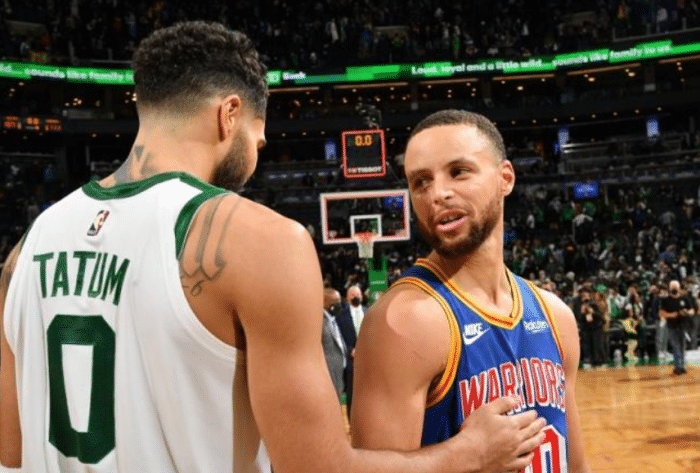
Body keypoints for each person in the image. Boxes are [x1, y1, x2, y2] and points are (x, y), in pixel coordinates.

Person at [0, 22, 546, 473]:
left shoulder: (26, 249)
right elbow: (318, 469)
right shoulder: (260, 241)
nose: (258, 155)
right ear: (229, 115)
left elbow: (11, 453)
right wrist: (468, 453)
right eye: (259, 139)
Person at [351, 110, 592, 473]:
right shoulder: (404, 321)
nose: (438, 193)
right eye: (421, 182)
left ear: (505, 178)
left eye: (459, 172)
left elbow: (575, 465)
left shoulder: (555, 315)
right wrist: (465, 457)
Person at [335, 284, 365, 414]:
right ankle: (352, 421)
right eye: (353, 295)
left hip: (369, 362)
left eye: (358, 294)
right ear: (347, 298)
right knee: (351, 394)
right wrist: (350, 350)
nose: (356, 297)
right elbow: (338, 337)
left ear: (362, 296)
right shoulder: (341, 316)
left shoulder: (369, 312)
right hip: (351, 361)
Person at [659, 280, 695, 375]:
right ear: (669, 288)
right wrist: (675, 314)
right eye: (672, 287)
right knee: (676, 346)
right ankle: (678, 367)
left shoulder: (685, 299)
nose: (674, 289)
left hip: (683, 326)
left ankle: (681, 366)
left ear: (679, 288)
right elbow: (662, 313)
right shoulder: (666, 300)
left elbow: (692, 310)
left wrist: (687, 312)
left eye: (676, 287)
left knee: (682, 347)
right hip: (672, 326)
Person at [322, 288, 346, 401]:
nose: (338, 304)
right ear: (324, 301)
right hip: (328, 374)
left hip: (339, 371)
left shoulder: (332, 319)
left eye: (339, 300)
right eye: (335, 301)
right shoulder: (319, 321)